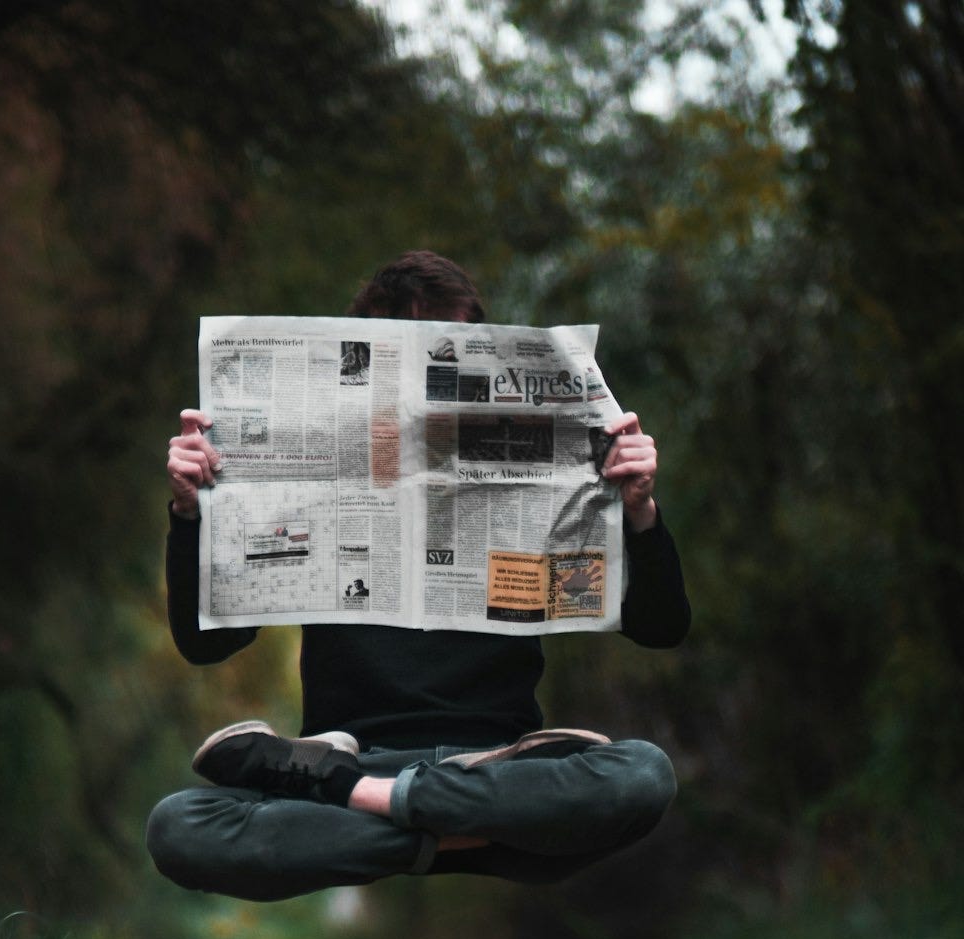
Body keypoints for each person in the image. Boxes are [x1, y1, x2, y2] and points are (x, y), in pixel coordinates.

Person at [146, 250, 690, 902]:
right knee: (177, 827)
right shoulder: (307, 466)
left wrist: (639, 509)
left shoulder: (551, 458)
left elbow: (662, 627)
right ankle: (427, 819)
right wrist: (189, 512)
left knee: (643, 775)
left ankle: (370, 800)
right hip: (419, 782)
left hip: (497, 766)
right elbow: (207, 646)